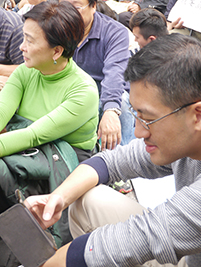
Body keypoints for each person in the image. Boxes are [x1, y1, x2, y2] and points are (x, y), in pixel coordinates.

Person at [25, 33, 201, 267]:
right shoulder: (184, 139)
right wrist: (57, 197)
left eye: (148, 119)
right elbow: (109, 162)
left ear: (197, 115)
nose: (138, 132)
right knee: (87, 196)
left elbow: (141, 237)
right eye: (136, 115)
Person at [0, 0, 99, 162]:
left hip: (62, 162)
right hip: (29, 152)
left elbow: (33, 135)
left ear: (57, 52)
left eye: (29, 41)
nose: (21, 47)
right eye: (24, 38)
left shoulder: (83, 91)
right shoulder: (25, 71)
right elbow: (2, 111)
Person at [53, 0, 134, 149]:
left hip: (102, 92)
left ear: (93, 6)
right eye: (62, 7)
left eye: (76, 7)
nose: (67, 14)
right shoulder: (53, 27)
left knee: (122, 106)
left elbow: (115, 73)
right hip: (64, 90)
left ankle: (121, 161)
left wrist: (111, 110)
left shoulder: (115, 32)